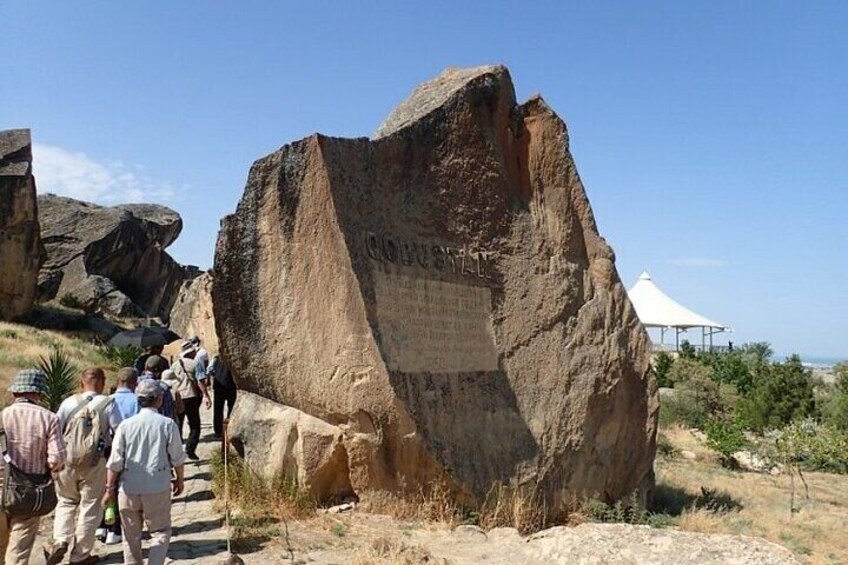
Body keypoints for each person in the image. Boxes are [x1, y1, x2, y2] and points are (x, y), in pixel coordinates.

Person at [103, 380, 186, 565]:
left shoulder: (125, 426)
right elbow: (177, 457)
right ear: (158, 399)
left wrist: (109, 489)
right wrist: (180, 480)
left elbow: (115, 462)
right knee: (161, 532)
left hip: (129, 488)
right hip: (157, 486)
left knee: (131, 536)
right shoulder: (167, 424)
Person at [47, 367, 123, 565]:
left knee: (65, 501)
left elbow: (55, 430)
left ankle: (61, 539)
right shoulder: (109, 403)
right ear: (103, 383)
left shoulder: (68, 402)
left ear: (82, 383)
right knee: (90, 507)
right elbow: (119, 432)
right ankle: (80, 556)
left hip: (67, 461)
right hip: (95, 462)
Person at [1, 370, 66, 564]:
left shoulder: (2, 416)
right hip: (29, 493)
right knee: (18, 551)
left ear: (15, 393)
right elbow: (57, 459)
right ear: (39, 394)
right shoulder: (49, 418)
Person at [171, 341, 210, 460]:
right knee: (195, 426)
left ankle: (175, 450)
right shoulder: (195, 363)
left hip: (177, 397)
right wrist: (207, 395)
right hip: (191, 397)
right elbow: (200, 381)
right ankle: (190, 449)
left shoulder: (174, 365)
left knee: (178, 424)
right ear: (192, 352)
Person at [140, 355, 178, 420]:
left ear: (145, 367)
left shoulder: (136, 383)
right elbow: (168, 412)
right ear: (161, 370)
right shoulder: (163, 387)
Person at [208, 355, 237, 438]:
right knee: (231, 408)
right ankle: (229, 429)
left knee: (218, 410)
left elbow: (210, 370)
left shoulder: (217, 359)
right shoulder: (231, 359)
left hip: (219, 386)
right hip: (230, 386)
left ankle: (218, 431)